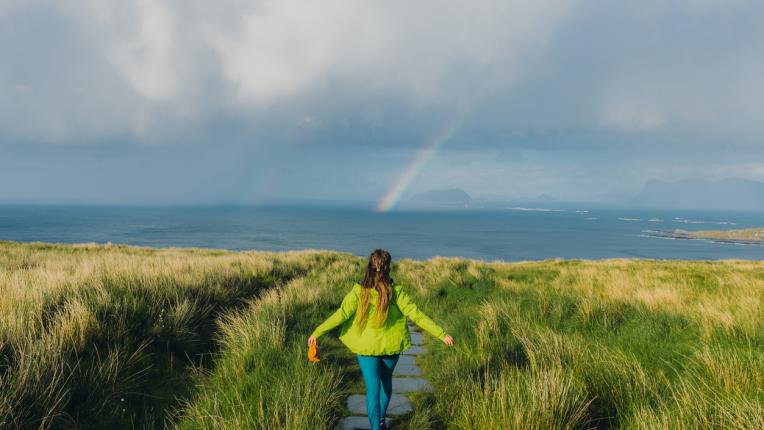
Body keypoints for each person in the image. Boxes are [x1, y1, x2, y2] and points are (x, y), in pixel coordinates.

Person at [308, 249, 454, 430]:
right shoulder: (396, 292)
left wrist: (317, 332)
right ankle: (382, 420)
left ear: (369, 266)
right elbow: (417, 315)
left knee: (373, 387)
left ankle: (376, 426)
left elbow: (341, 314)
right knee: (386, 382)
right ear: (388, 268)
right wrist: (441, 334)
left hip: (366, 347)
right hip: (391, 346)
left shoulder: (359, 291)